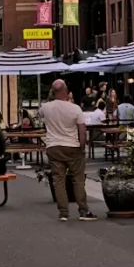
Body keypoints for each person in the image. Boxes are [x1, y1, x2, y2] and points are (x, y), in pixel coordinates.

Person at [40, 79, 96, 222]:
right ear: (66, 91)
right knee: (77, 180)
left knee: (58, 181)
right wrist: (82, 147)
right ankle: (83, 211)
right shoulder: (75, 108)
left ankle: (63, 213)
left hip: (53, 146)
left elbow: (42, 115)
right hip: (72, 146)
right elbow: (82, 130)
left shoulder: (45, 107)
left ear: (53, 92)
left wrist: (50, 97)